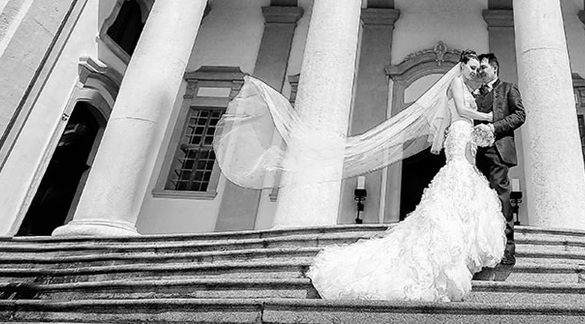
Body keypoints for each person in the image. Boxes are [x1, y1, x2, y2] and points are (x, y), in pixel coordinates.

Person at [215, 50, 508, 302]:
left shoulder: (470, 87)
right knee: (455, 188)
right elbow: (461, 110)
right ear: (461, 66)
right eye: (471, 67)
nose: (474, 71)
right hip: (459, 136)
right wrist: (490, 118)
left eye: (477, 68)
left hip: (465, 139)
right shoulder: (456, 83)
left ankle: (461, 249)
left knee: (460, 194)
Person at [472, 52, 526, 265]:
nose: (480, 71)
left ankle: (507, 248)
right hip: (476, 153)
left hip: (498, 150)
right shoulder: (474, 93)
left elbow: (520, 115)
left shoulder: (508, 88)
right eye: (478, 68)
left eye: (483, 67)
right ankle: (482, 248)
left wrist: (494, 128)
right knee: (478, 199)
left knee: (501, 197)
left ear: (495, 68)